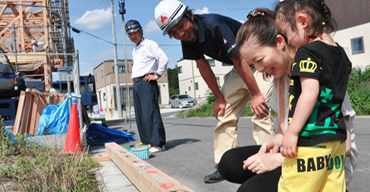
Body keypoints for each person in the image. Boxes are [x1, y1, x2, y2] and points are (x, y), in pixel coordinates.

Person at [218, 7, 357, 192]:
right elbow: (285, 127)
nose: (258, 69)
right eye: (253, 65)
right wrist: (275, 142)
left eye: (260, 59)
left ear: (280, 42)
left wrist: (277, 160)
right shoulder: (280, 79)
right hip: (299, 151)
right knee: (229, 163)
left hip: (325, 160)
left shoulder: (318, 70)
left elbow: (344, 145)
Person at [154, 0, 275, 183]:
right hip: (238, 67)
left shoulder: (214, 25)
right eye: (173, 33)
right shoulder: (188, 39)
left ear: (190, 15)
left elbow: (240, 59)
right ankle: (224, 166)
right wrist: (219, 98)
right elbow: (203, 68)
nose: (180, 34)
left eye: (181, 26)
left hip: (257, 61)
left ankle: (269, 165)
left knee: (260, 112)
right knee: (224, 113)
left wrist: (256, 95)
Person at [126, 19, 168, 154]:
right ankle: (146, 142)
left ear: (141, 31)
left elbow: (164, 59)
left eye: (135, 33)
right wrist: (134, 79)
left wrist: (157, 75)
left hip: (147, 83)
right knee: (140, 114)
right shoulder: (135, 49)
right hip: (138, 83)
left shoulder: (149, 44)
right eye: (130, 35)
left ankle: (158, 143)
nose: (133, 36)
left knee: (151, 113)